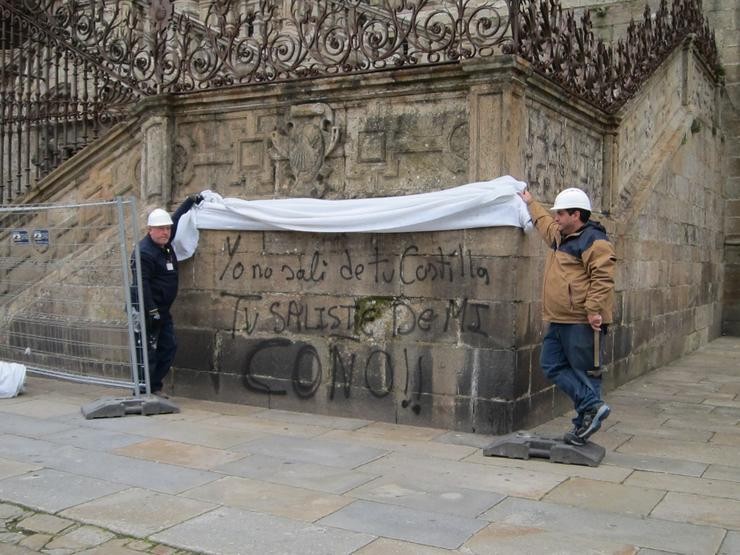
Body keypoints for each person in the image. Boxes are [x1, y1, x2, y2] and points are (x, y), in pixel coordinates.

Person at [519, 187, 616, 445]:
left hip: (581, 320)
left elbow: (603, 277)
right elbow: (544, 225)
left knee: (585, 373)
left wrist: (594, 309)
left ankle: (583, 424)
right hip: (559, 318)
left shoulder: (594, 240)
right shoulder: (561, 235)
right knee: (550, 363)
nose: (557, 218)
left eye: (561, 213)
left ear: (576, 214)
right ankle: (592, 407)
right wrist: (531, 203)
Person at [131, 194, 202, 396]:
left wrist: (189, 202)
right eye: (161, 229)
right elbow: (141, 283)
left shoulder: (165, 244)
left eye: (167, 229)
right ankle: (146, 389)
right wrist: (151, 309)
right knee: (147, 350)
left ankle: (153, 385)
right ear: (149, 230)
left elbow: (177, 218)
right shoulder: (144, 252)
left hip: (162, 309)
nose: (166, 232)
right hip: (146, 309)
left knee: (169, 347)